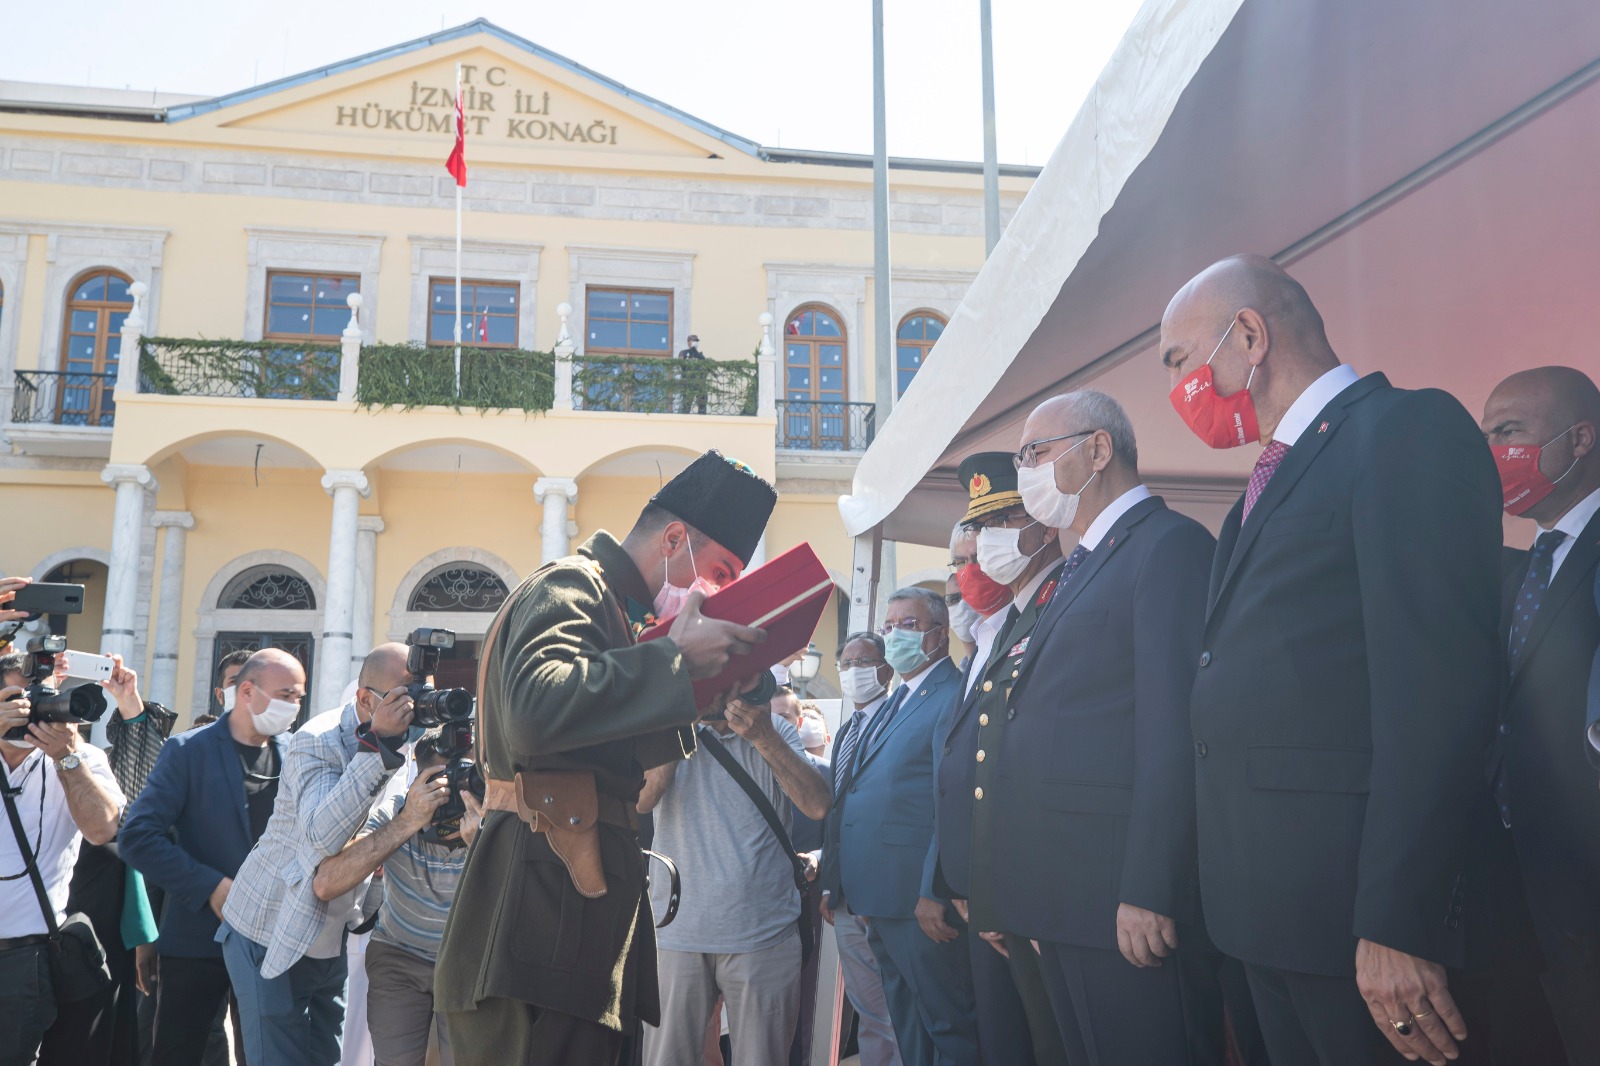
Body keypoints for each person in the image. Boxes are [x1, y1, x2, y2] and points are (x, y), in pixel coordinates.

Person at [1161, 254, 1502, 1066]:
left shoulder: (1400, 430)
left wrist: (1396, 917)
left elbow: (1437, 692)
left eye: (1180, 361)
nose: (1179, 390)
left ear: (1248, 334)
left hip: (1353, 920)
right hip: (1264, 913)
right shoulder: (1271, 479)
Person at [436, 449, 777, 1066]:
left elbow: (591, 746)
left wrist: (690, 692)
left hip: (565, 910)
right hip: (541, 912)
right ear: (674, 538)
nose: (719, 594)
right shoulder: (575, 585)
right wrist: (672, 664)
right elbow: (535, 707)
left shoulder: (620, 613)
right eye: (721, 573)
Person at [990, 390, 1221, 1063]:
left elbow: (1172, 727)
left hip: (1124, 902)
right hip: (1067, 896)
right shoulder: (1085, 563)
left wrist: (1151, 886)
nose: (1025, 469)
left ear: (1099, 449)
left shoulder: (1166, 547)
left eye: (1034, 452)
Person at [926, 453, 1067, 1066]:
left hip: (1032, 890)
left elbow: (1033, 761)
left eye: (995, 528)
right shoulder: (996, 631)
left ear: (1039, 523)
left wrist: (1001, 888)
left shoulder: (1052, 611)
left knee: (1049, 1041)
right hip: (985, 893)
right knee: (1008, 1043)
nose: (975, 561)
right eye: (961, 554)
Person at [1477, 366, 1600, 1062]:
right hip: (1521, 890)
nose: (1493, 452)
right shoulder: (1524, 568)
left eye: (1509, 433)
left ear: (1578, 439)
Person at [218, 645, 413, 1066]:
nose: (412, 708)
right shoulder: (317, 740)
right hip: (270, 930)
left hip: (332, 939)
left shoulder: (409, 745)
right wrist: (378, 748)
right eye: (402, 696)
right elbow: (322, 837)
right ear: (365, 700)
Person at [638, 671, 830, 1066]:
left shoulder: (774, 728)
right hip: (677, 933)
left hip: (764, 932)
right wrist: (679, 730)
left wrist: (764, 738)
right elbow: (640, 801)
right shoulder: (663, 728)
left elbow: (817, 804)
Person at [120, 647, 297, 1066]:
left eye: (299, 696)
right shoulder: (188, 751)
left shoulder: (296, 755)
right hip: (196, 941)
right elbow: (137, 838)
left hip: (272, 944)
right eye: (286, 694)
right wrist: (212, 887)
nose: (294, 705)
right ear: (247, 692)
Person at [827, 587, 978, 1066]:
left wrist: (934, 888)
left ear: (939, 634)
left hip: (919, 899)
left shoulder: (952, 695)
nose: (894, 635)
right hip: (882, 897)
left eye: (908, 625)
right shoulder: (898, 699)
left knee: (948, 1026)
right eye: (889, 626)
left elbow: (947, 801)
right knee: (908, 1025)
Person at [0, 576, 126, 1066]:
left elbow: (102, 830)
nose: (27, 714)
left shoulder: (79, 757)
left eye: (32, 701)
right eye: (12, 703)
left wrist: (68, 758)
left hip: (26, 958)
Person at [309, 728, 482, 1066]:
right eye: (447, 782)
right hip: (401, 956)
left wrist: (484, 843)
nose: (462, 792)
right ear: (419, 780)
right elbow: (327, 882)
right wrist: (408, 821)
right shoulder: (400, 810)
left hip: (469, 961)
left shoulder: (495, 815)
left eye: (471, 777)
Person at [820, 633, 902, 1066]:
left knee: (898, 1015)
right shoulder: (846, 730)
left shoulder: (900, 719)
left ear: (886, 670)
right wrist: (830, 885)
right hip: (846, 897)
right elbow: (838, 812)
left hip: (886, 896)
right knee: (870, 1013)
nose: (853, 672)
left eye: (863, 662)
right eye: (845, 663)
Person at [677, 334, 709, 414]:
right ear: (688, 342)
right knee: (686, 406)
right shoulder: (683, 353)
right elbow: (682, 364)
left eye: (696, 341)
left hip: (700, 383)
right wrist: (691, 349)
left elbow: (704, 364)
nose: (695, 342)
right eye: (694, 341)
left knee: (702, 405)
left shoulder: (700, 355)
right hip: (688, 383)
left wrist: (694, 349)